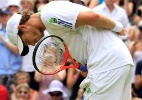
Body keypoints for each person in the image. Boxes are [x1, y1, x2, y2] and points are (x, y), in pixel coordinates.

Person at [6, 1, 134, 100]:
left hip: (107, 64)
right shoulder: (52, 30)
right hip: (118, 61)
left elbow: (93, 16)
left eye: (27, 41)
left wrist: (118, 27)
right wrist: (87, 66)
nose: (33, 44)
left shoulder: (49, 13)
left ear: (23, 27)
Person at [0, 6, 22, 94]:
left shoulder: (15, 32)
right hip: (0, 72)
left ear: (10, 17)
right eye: (2, 16)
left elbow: (17, 51)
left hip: (14, 72)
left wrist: (3, 39)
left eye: (6, 15)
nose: (4, 18)